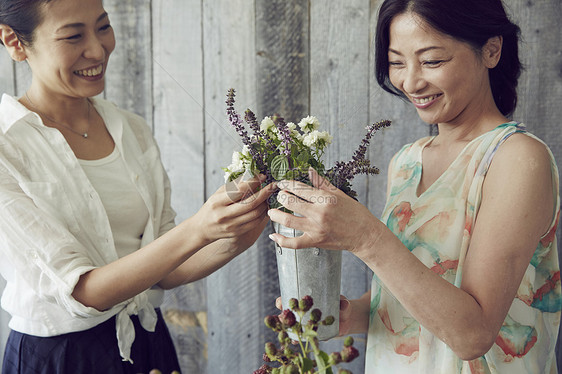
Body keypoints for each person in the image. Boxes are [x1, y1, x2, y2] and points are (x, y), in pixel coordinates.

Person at [268, 0, 561, 373]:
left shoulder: (518, 159)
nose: (410, 81)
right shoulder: (407, 161)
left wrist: (365, 238)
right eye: (396, 62)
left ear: (491, 49)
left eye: (432, 61)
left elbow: (473, 336)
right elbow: (406, 301)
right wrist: (349, 315)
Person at [0, 0, 275, 372]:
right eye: (73, 35)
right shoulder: (7, 146)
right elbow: (81, 292)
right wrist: (199, 227)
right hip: (62, 357)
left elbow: (165, 269)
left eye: (103, 26)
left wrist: (237, 231)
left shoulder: (131, 130)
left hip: (147, 341)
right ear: (14, 42)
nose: (98, 49)